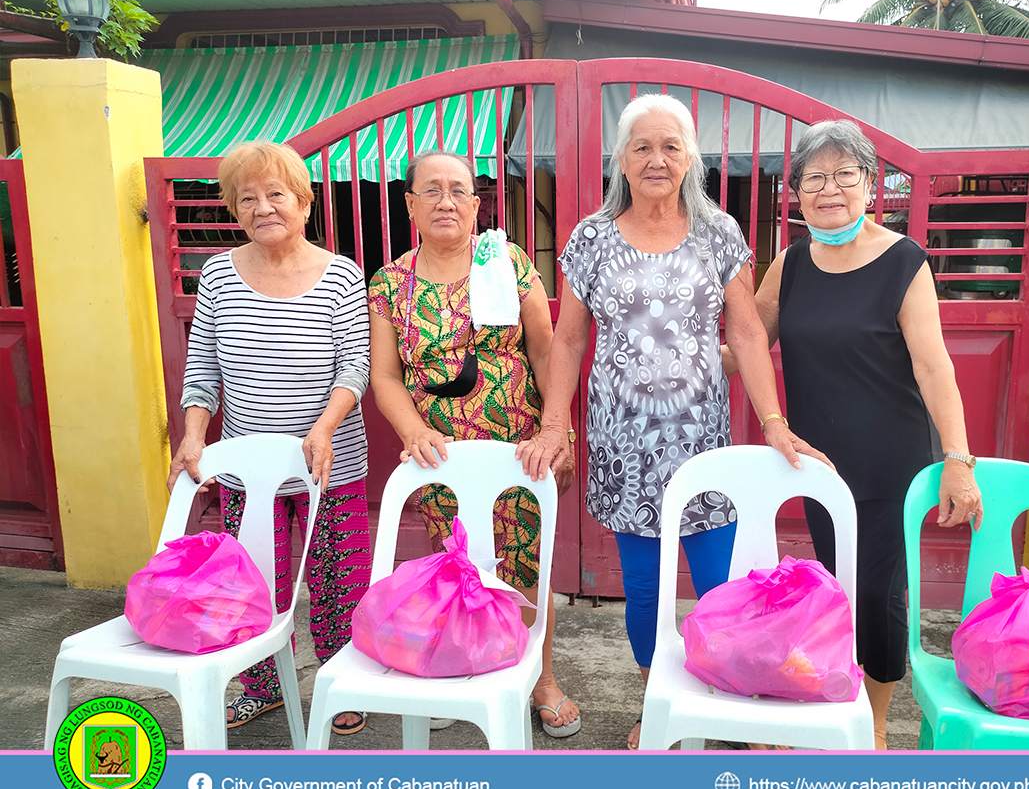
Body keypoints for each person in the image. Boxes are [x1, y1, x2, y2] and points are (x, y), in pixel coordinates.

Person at [516, 94, 829, 750]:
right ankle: (656, 702)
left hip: (701, 441)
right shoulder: (591, 239)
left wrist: (773, 420)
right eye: (642, 147)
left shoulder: (719, 233)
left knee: (721, 582)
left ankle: (728, 698)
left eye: (670, 146)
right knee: (645, 589)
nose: (657, 159)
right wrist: (554, 424)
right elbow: (568, 342)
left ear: (691, 158)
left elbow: (745, 335)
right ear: (622, 161)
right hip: (624, 443)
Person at [725, 118, 983, 750]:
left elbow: (933, 364)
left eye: (845, 174)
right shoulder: (790, 264)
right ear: (797, 193)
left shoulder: (903, 261)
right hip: (816, 461)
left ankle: (874, 722)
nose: (829, 189)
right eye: (814, 177)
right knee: (836, 584)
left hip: (890, 459)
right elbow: (745, 347)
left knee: (877, 592)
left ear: (871, 185)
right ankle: (837, 698)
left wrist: (959, 458)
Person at [367, 149, 581, 738]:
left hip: (520, 448)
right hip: (440, 456)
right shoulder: (390, 283)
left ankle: (540, 677)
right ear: (409, 204)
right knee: (458, 560)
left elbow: (545, 348)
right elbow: (384, 376)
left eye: (458, 190)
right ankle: (468, 659)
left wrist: (556, 429)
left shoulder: (506, 261)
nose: (446, 201)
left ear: (476, 203)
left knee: (524, 562)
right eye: (431, 190)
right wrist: (413, 431)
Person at [168, 141, 371, 736]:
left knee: (340, 576)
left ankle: (338, 680)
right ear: (233, 208)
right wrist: (193, 436)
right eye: (247, 197)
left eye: (276, 194)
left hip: (327, 460)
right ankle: (262, 685)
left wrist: (323, 428)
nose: (263, 207)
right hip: (245, 469)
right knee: (255, 577)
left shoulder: (339, 274)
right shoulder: (217, 276)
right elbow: (202, 369)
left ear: (303, 201)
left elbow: (353, 368)